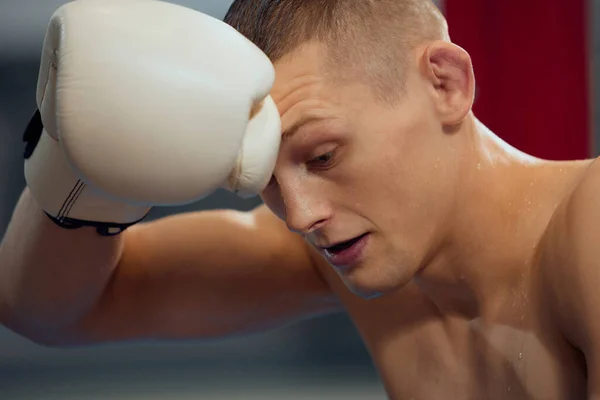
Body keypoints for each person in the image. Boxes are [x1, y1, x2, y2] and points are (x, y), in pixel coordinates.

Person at [0, 0, 596, 398]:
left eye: (322, 157)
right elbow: (51, 312)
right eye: (266, 178)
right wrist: (74, 167)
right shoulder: (349, 254)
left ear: (445, 83)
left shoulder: (587, 226)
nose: (302, 215)